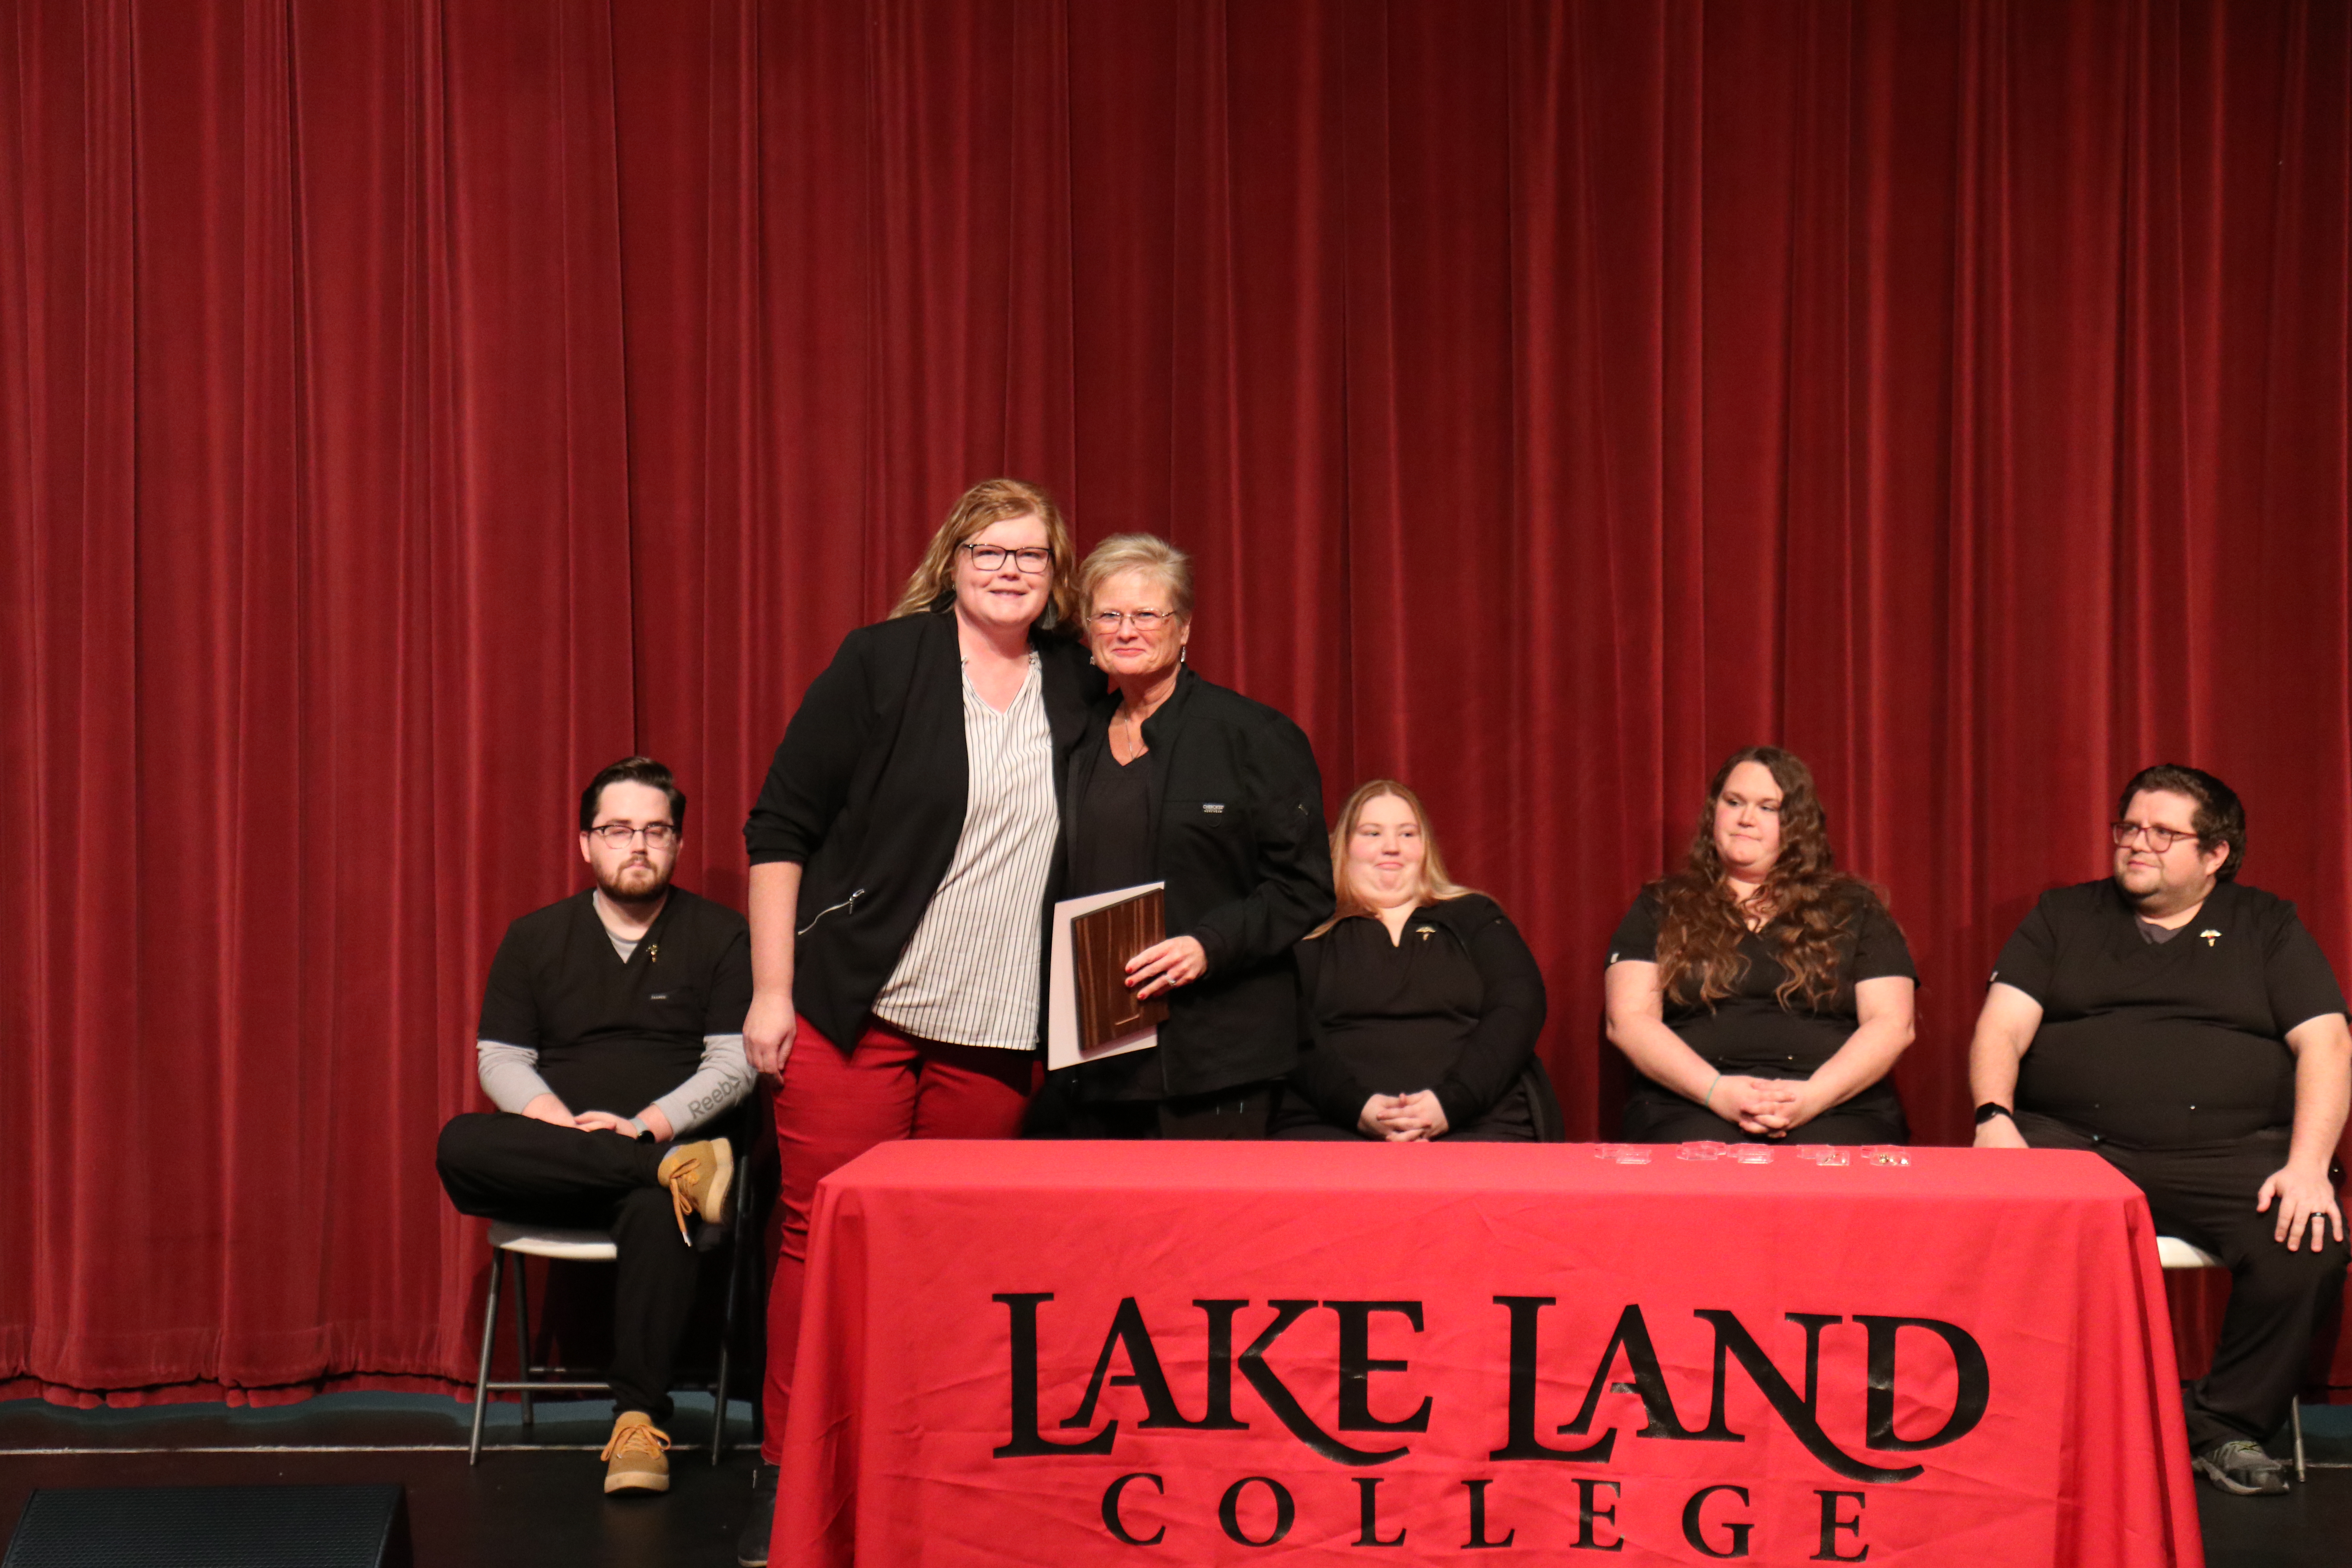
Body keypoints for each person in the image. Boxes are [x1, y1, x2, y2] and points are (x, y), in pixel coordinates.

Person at [736, 479, 1099, 1564]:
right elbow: (779, 827)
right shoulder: (883, 664)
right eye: (990, 550)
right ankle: (795, 1473)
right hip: (863, 1011)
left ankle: (926, 1463)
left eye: (1032, 555)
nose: (1010, 569)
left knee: (953, 1253)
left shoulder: (1076, 681)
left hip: (998, 1024)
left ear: (1056, 573)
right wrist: (769, 993)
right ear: (951, 560)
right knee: (822, 1235)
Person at [1970, 764, 2351, 1497]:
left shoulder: (2266, 925)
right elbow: (2001, 1027)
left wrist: (2310, 1165)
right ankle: (2027, 1420)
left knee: (2306, 1243)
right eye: (2130, 828)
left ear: (2216, 855)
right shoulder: (2062, 916)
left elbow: (2328, 1043)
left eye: (2163, 833)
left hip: (2231, 1153)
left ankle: (2225, 1428)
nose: (2137, 845)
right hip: (2075, 1144)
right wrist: (1994, 1118)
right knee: (1998, 1225)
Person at [435, 757, 752, 1496]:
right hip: (567, 1156)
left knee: (656, 1204)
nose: (637, 845)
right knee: (460, 1140)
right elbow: (503, 1058)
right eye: (618, 830)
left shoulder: (721, 935)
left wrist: (647, 1128)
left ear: (675, 842)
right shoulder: (535, 937)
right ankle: (673, 1170)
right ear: (586, 843)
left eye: (655, 830)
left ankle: (638, 1423)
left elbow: (734, 1065)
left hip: (661, 1146)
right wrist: (561, 1126)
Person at [1040, 532, 1333, 1138]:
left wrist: (1209, 945)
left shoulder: (1253, 736)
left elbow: (1305, 889)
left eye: (1148, 614)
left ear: (1185, 628)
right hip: (1096, 1056)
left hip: (1217, 1057)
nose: (1127, 630)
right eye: (1109, 615)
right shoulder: (1071, 738)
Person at [1604, 745, 1916, 1143]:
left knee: (1835, 1179)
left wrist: (1811, 1097)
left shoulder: (1855, 908)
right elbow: (1628, 1020)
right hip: (1691, 1103)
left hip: (1834, 1103)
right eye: (1734, 802)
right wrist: (1718, 1092)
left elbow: (1893, 1024)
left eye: (1768, 808)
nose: (1746, 819)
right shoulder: (1661, 905)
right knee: (1701, 1172)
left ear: (1797, 825)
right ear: (1714, 812)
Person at [1273, 779, 1551, 1141]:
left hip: (1475, 1121)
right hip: (1332, 1123)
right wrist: (1357, 1108)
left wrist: (1451, 1104)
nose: (1392, 848)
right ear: (1344, 846)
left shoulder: (1474, 916)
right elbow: (1287, 1025)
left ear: (1425, 848)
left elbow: (1520, 1006)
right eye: (1372, 834)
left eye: (1407, 835)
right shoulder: (1309, 930)